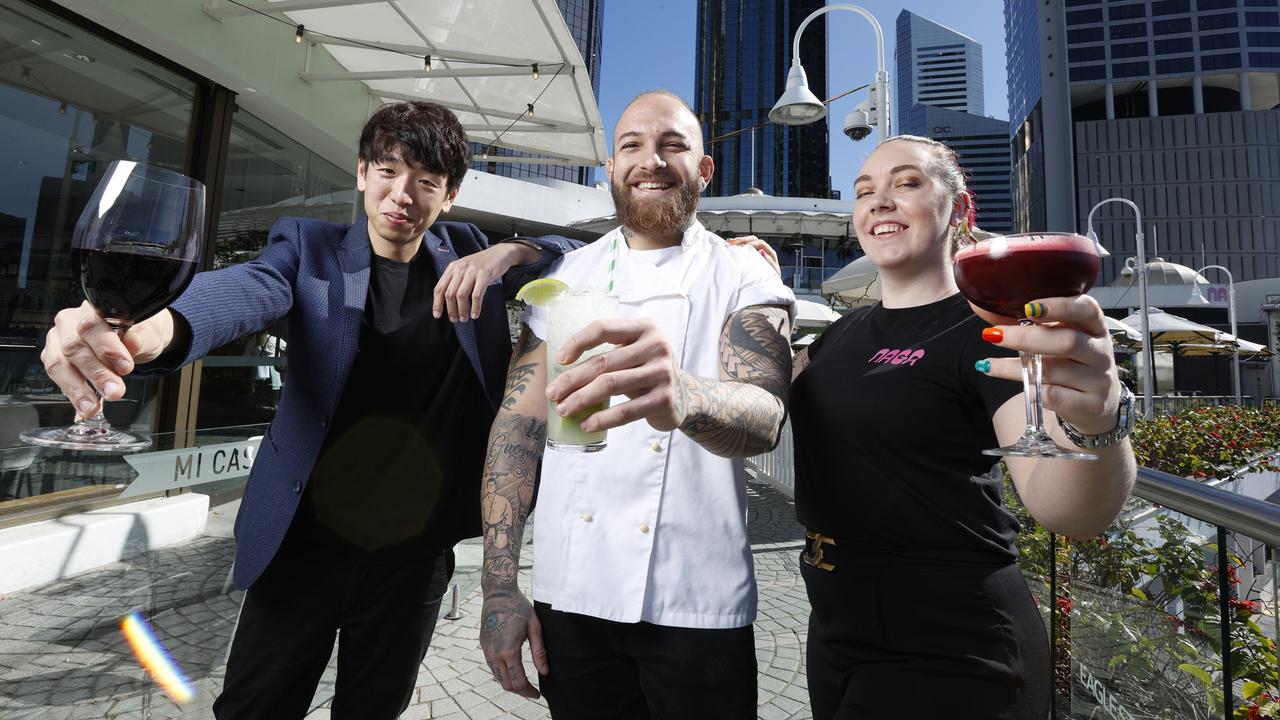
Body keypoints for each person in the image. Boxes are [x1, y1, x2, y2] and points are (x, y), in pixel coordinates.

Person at [38, 101, 578, 719]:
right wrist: (160, 327)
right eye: (388, 172)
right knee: (255, 707)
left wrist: (509, 254)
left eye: (426, 182)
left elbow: (575, 256)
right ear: (361, 174)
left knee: (374, 709)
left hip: (413, 557)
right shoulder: (308, 247)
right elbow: (246, 289)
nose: (402, 195)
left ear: (449, 196)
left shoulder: (468, 258)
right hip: (302, 548)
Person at [787, 135, 1137, 719]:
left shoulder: (992, 328)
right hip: (834, 623)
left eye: (906, 183)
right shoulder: (838, 336)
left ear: (960, 209)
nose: (879, 201)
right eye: (864, 191)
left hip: (950, 637)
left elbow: (1069, 511)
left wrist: (1098, 419)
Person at [477, 90, 796, 719]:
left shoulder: (743, 275)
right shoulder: (568, 279)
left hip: (697, 602)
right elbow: (516, 429)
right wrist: (498, 587)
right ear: (610, 171)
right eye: (632, 146)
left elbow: (764, 416)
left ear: (704, 170)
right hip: (572, 598)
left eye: (673, 145)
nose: (651, 160)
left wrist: (684, 392)